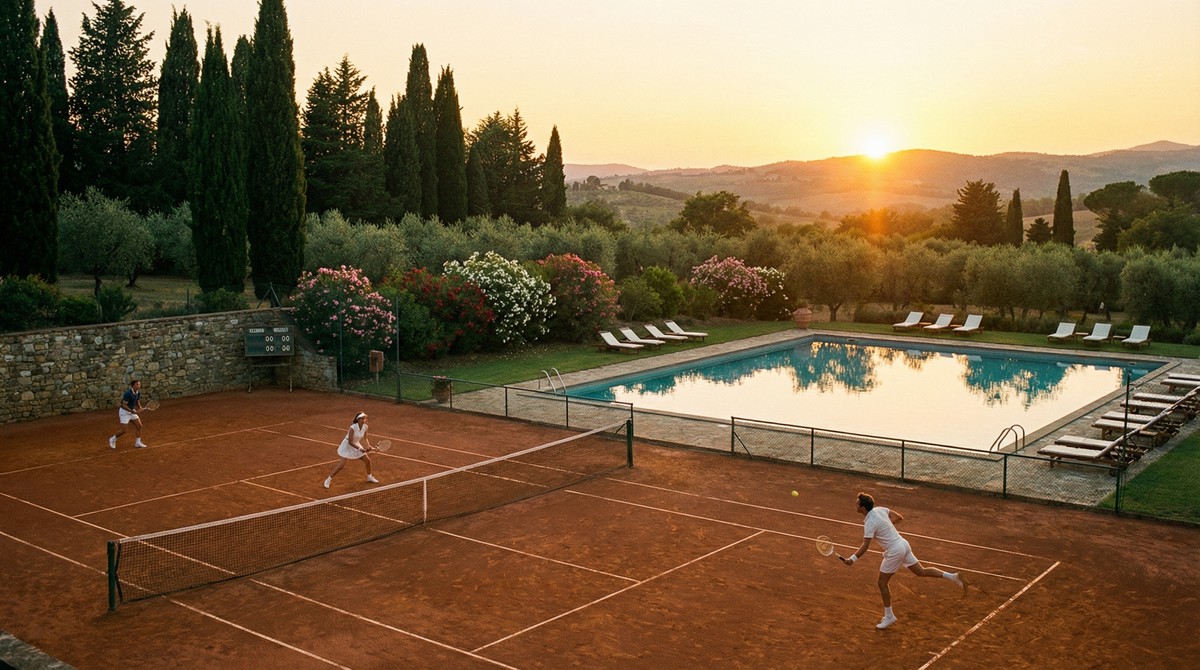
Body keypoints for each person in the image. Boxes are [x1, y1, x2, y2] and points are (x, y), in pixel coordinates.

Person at [841, 492, 967, 629]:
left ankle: (889, 616)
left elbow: (865, 545)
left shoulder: (870, 523)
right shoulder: (880, 510)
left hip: (895, 551)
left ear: (863, 508)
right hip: (903, 544)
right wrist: (887, 526)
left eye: (857, 503)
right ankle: (953, 577)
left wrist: (852, 559)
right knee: (921, 571)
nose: (855, 504)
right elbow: (899, 517)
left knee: (882, 582)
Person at [323, 411, 380, 489]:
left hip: (356, 443)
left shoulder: (365, 427)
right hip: (347, 445)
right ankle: (328, 480)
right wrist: (360, 448)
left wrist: (369, 446)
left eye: (364, 419)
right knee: (341, 465)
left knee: (367, 461)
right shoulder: (352, 428)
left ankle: (369, 477)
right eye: (362, 419)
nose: (364, 420)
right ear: (358, 419)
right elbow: (350, 441)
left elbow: (365, 438)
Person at [109, 379, 148, 449]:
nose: (139, 386)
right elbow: (124, 405)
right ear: (133, 386)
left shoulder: (138, 392)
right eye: (137, 385)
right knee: (124, 430)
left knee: (139, 426)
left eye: (139, 384)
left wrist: (140, 407)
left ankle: (138, 443)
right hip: (124, 412)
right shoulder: (128, 394)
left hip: (131, 411)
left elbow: (137, 401)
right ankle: (113, 439)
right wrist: (132, 411)